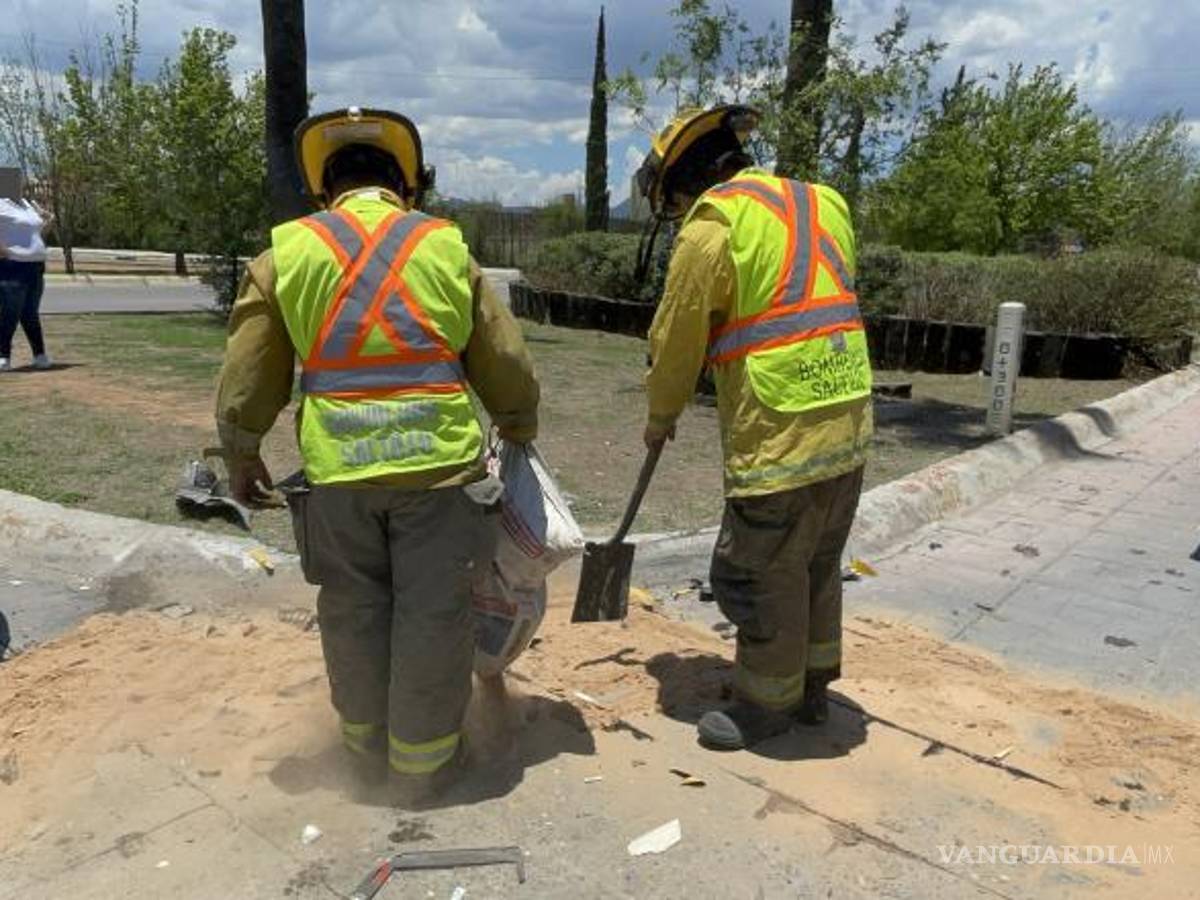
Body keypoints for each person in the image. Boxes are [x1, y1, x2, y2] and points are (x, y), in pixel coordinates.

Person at [215, 107, 539, 789]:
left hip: (338, 480)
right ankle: (426, 767)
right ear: (405, 184)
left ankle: (363, 752)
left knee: (352, 612)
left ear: (323, 190)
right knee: (432, 617)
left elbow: (248, 375)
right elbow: (504, 360)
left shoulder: (285, 254)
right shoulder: (447, 247)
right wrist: (517, 424)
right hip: (439, 478)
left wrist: (243, 452)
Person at [635, 106, 873, 751]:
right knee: (817, 563)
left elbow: (678, 336)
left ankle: (766, 706)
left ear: (682, 180)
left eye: (673, 196)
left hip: (780, 434)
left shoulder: (713, 227)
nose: (679, 207)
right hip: (847, 417)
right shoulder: (823, 203)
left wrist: (662, 412)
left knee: (760, 570)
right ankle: (813, 688)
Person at [0, 178, 52, 372]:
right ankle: (3, 355)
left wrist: (47, 221)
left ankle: (39, 355)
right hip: (13, 266)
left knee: (30, 314)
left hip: (35, 267)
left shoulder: (28, 205)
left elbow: (37, 234)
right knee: (10, 313)